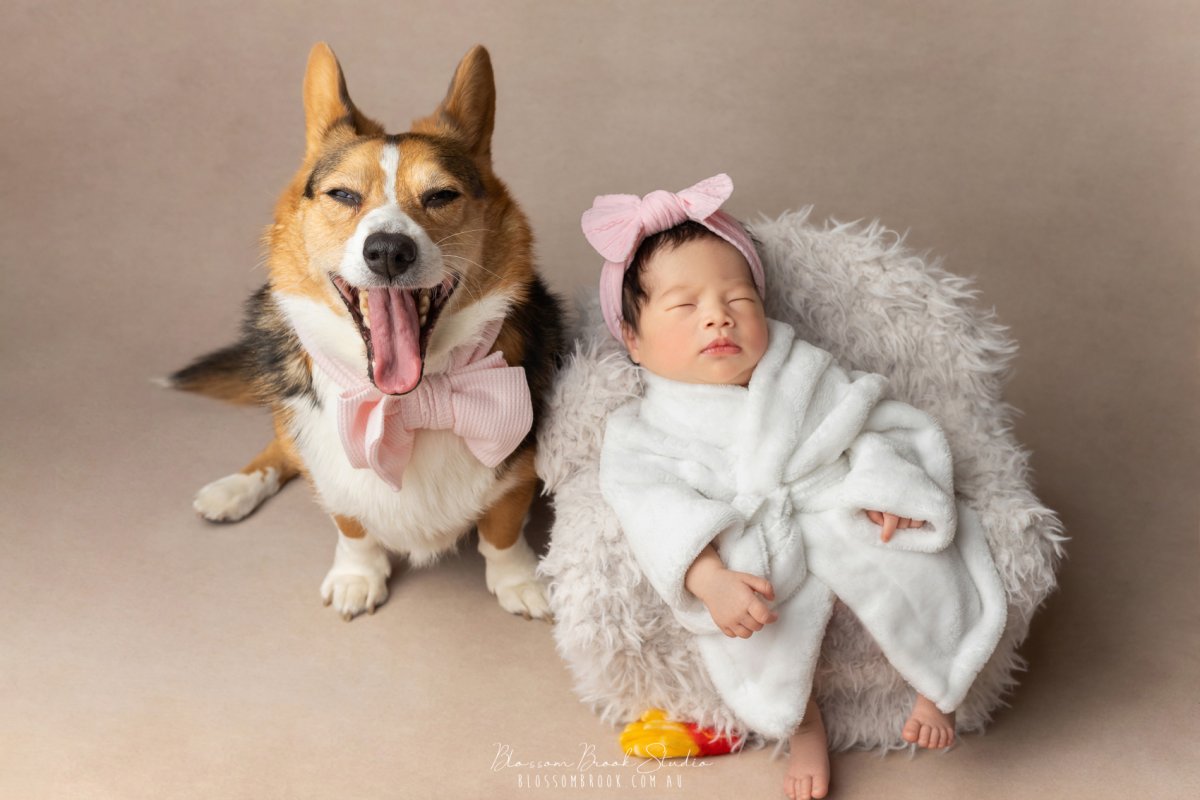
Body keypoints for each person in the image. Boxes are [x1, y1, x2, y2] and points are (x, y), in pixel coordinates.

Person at [584, 174, 1007, 800]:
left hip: (827, 500)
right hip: (751, 539)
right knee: (760, 602)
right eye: (684, 306)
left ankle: (938, 683)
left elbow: (867, 424)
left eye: (738, 298)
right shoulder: (639, 431)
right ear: (634, 340)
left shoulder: (799, 370)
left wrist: (887, 491)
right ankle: (802, 726)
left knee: (916, 558)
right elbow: (653, 509)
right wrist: (707, 578)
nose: (718, 317)